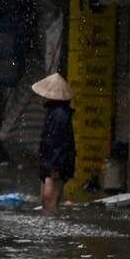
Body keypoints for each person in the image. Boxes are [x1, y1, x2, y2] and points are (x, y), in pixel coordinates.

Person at [33, 72, 75, 212]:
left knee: (49, 200)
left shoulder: (59, 114)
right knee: (48, 200)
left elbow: (60, 142)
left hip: (56, 162)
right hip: (53, 161)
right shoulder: (55, 111)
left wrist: (55, 167)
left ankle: (52, 225)